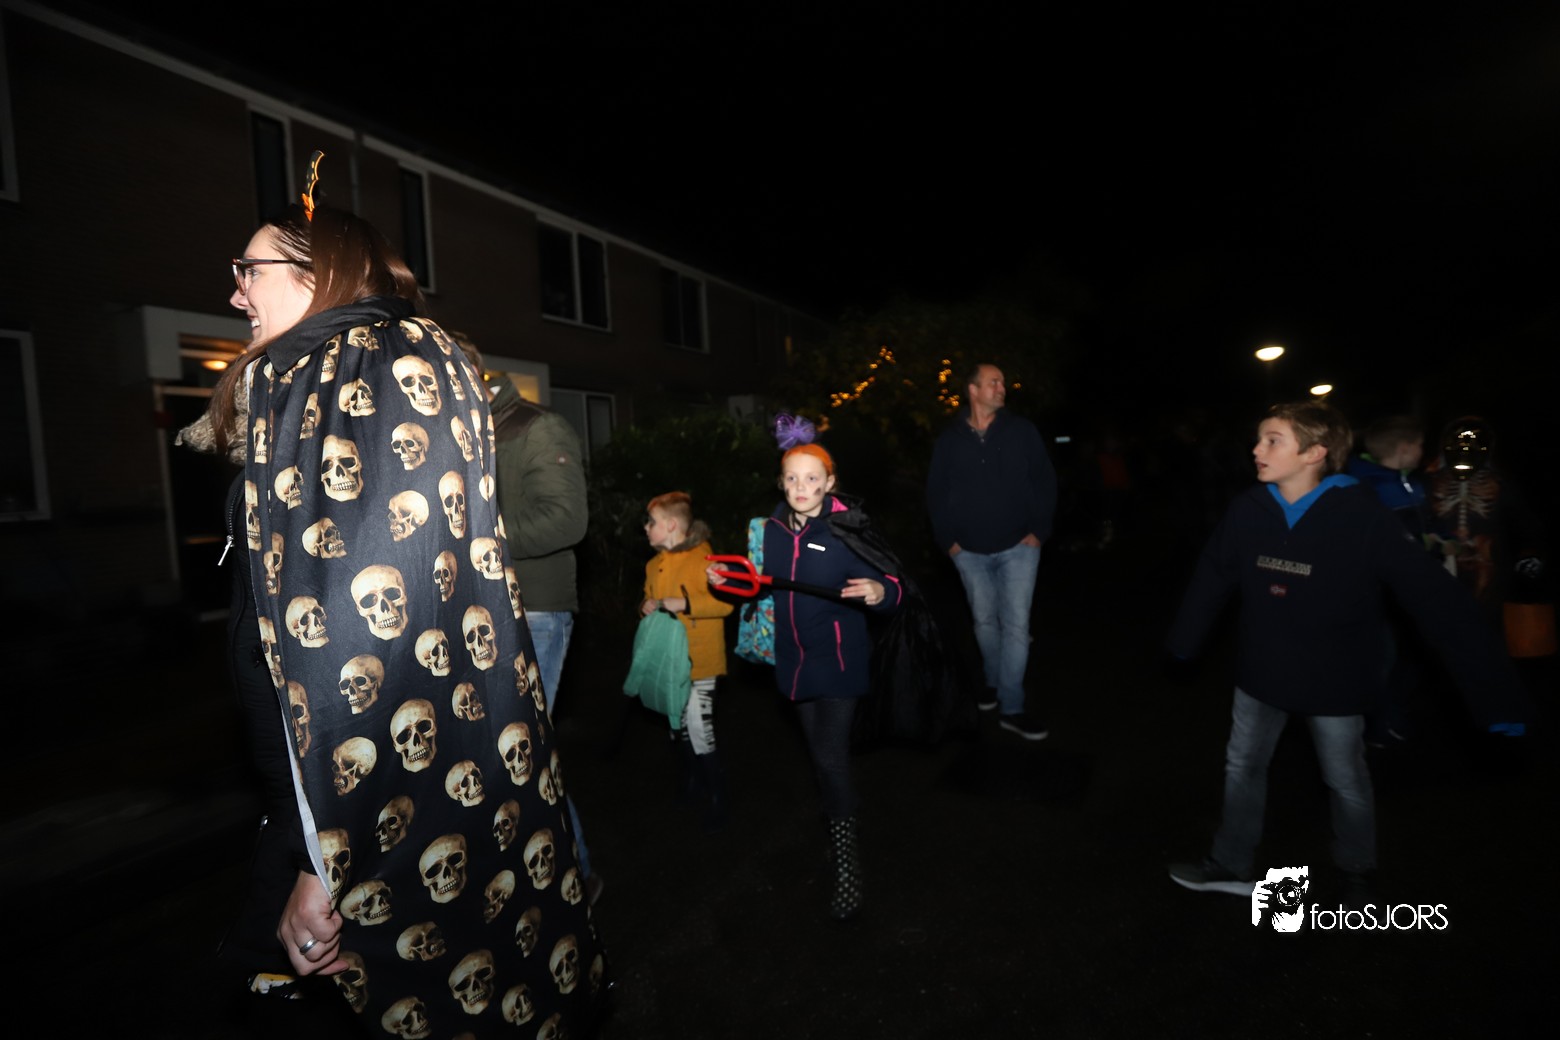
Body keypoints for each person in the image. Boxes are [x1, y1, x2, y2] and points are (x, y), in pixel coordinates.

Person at [181, 169, 604, 1034]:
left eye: (250, 269)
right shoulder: (322, 375)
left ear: (319, 273)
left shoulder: (369, 369)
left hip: (343, 796)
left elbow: (370, 639)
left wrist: (319, 858)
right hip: (315, 791)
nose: (235, 291)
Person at [1165, 402, 1528, 908]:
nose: (1256, 449)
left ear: (1314, 453)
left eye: (1272, 440)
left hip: (1332, 677)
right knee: (1242, 765)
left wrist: (1495, 695)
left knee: (1345, 778)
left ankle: (1357, 871)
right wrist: (1183, 643)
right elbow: (1213, 572)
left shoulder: (1361, 516)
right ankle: (1230, 862)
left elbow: (1434, 598)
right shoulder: (1249, 508)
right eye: (1259, 438)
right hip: (1261, 670)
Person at [707, 417, 901, 921]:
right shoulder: (768, 531)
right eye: (792, 478)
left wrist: (881, 591)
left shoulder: (847, 530)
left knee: (831, 757)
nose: (801, 487)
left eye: (812, 478)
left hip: (838, 662)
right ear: (781, 482)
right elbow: (756, 586)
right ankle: (839, 820)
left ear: (829, 483)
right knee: (820, 756)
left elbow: (896, 586)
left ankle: (847, 859)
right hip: (791, 664)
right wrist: (723, 579)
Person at [456, 334, 601, 903]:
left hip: (534, 610)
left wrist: (472, 541)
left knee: (520, 753)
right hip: (479, 612)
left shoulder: (535, 426)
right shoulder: (461, 432)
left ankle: (575, 877)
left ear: (470, 375)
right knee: (502, 757)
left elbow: (567, 520)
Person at [925, 362, 1057, 739]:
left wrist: (1039, 530)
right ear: (973, 390)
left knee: (1015, 626)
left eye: (1002, 382)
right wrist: (948, 541)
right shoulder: (949, 440)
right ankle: (993, 681)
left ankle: (1012, 707)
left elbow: (1045, 480)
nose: (1002, 388)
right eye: (994, 382)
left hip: (1020, 547)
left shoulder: (1022, 431)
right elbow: (936, 492)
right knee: (984, 623)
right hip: (968, 551)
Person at [641, 491, 734, 829]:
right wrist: (646, 605)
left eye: (651, 522)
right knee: (677, 727)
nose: (646, 528)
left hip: (700, 661)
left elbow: (725, 604)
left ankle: (718, 796)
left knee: (698, 726)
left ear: (671, 525)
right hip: (668, 661)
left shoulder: (704, 559)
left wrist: (683, 604)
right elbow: (648, 599)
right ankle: (691, 782)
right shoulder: (653, 565)